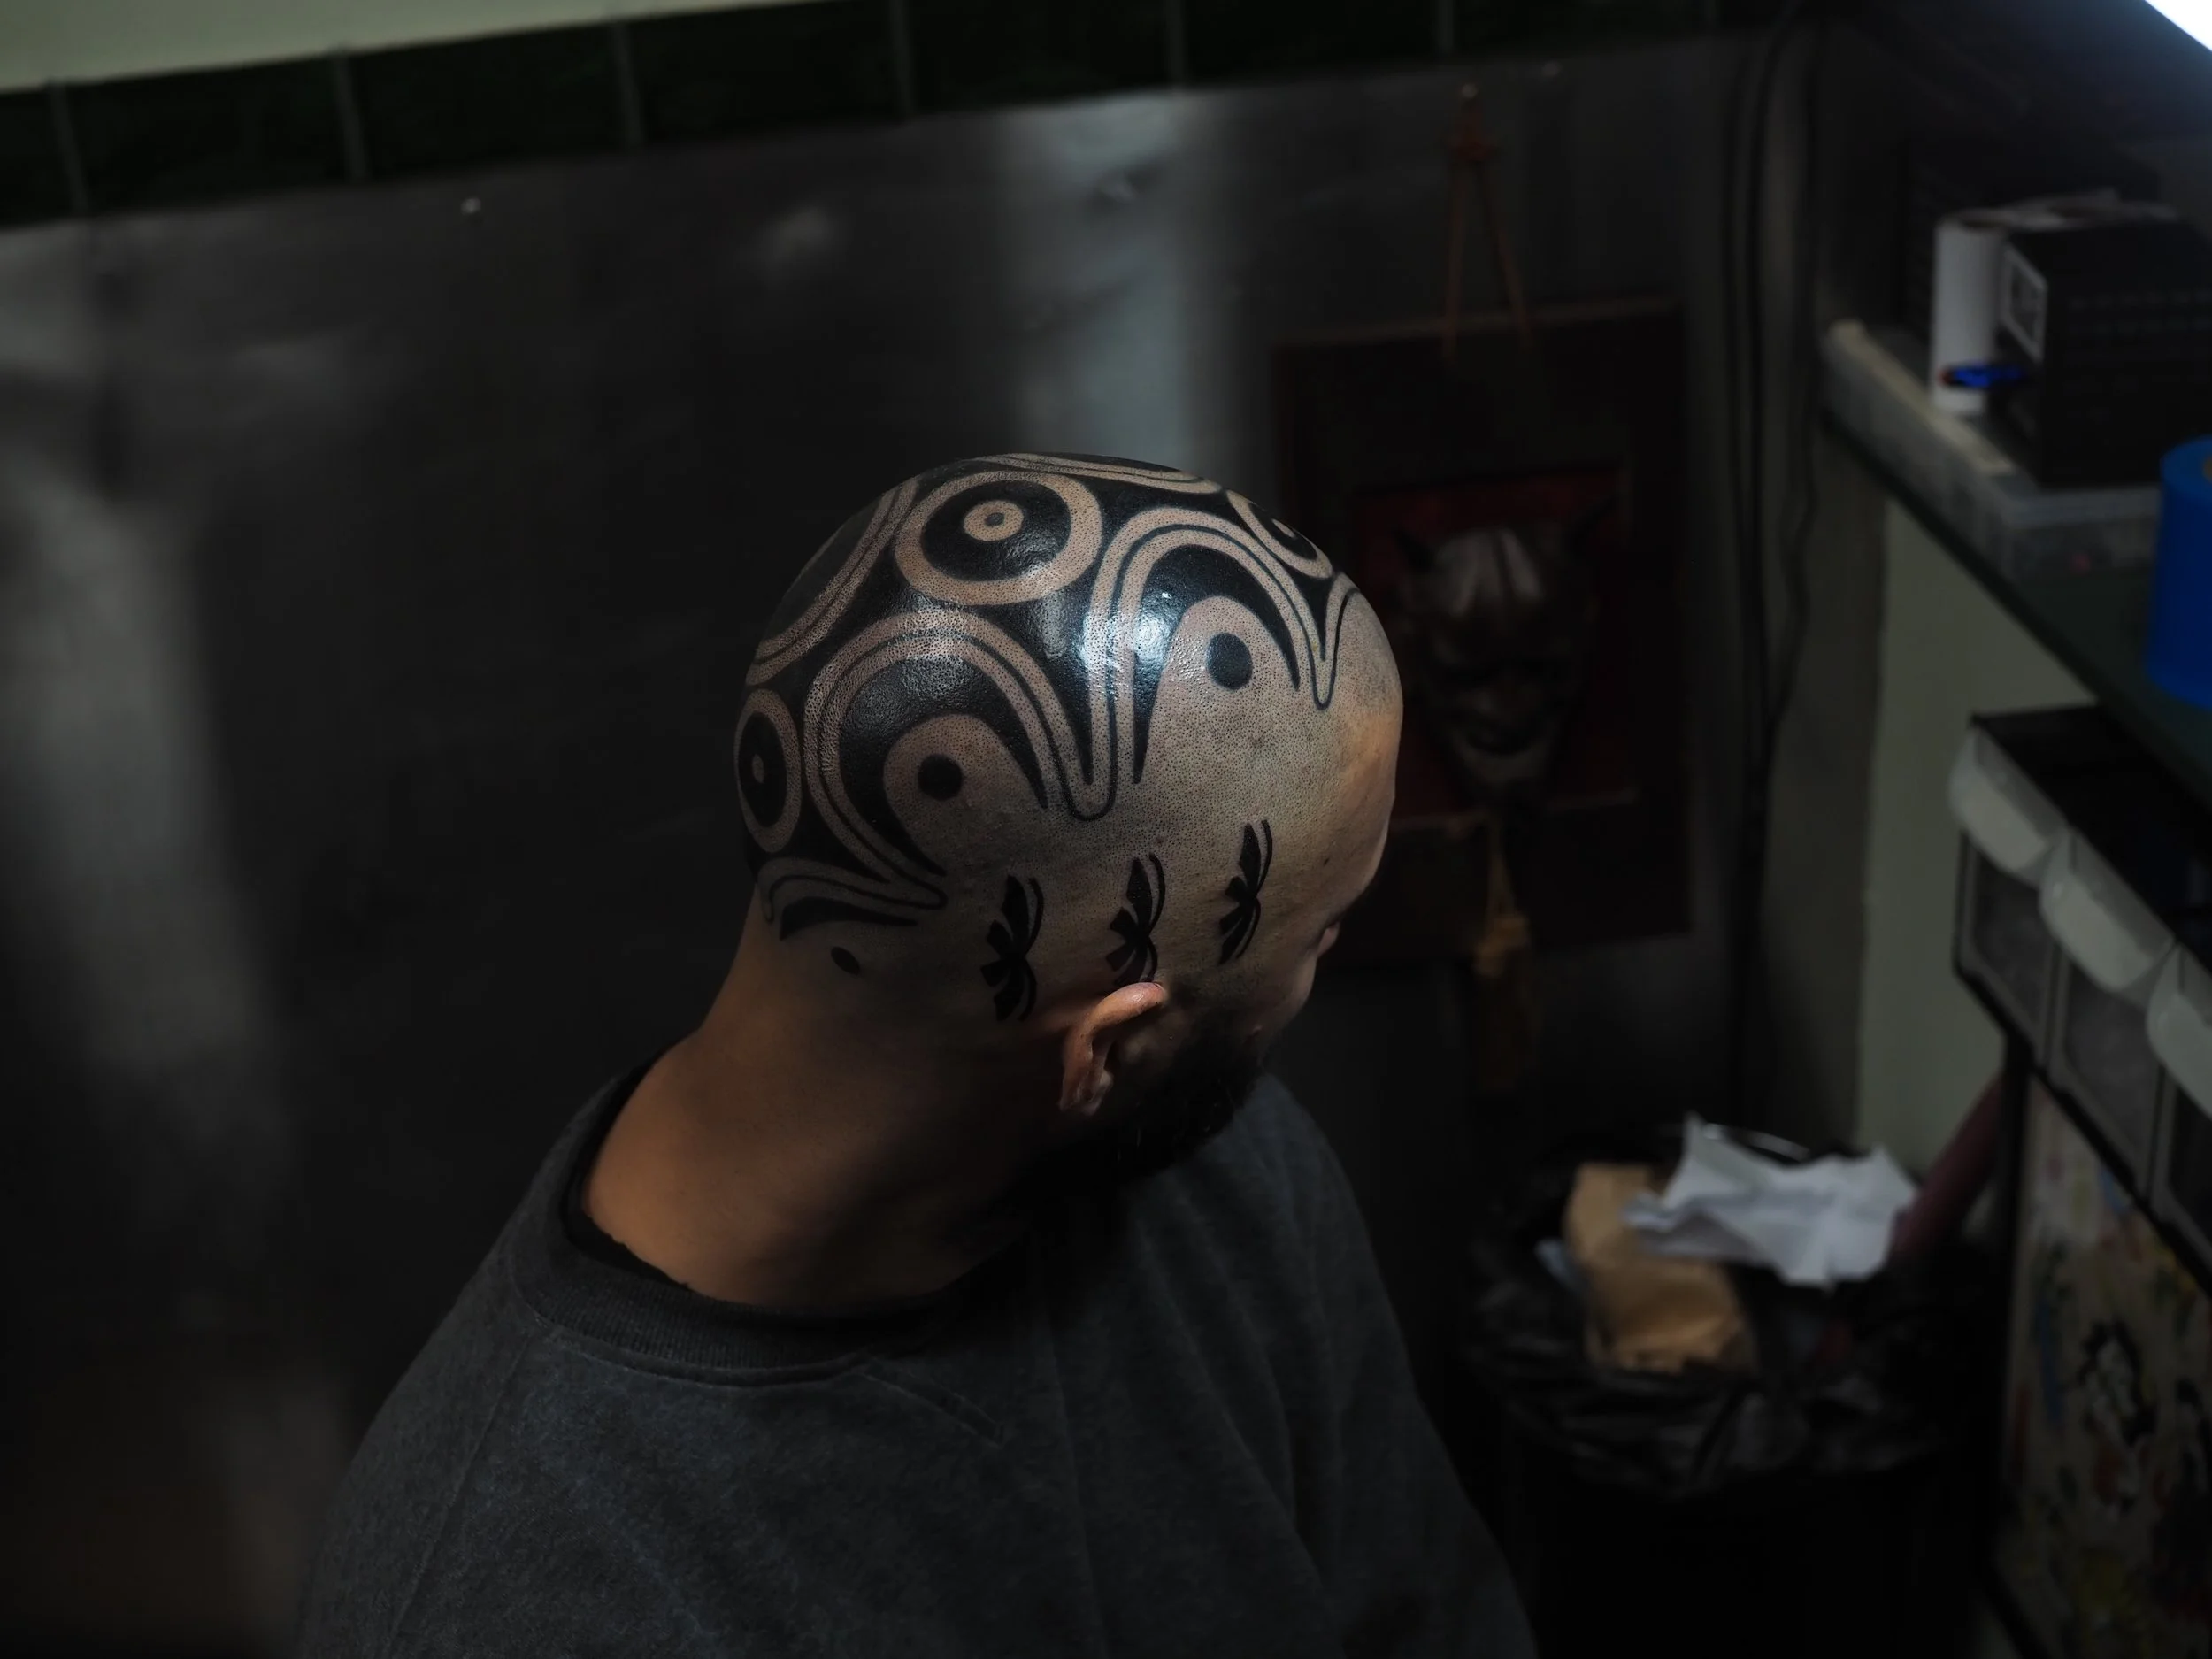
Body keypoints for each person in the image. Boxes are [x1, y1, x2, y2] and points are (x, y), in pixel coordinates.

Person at [294, 453, 1533, 1657]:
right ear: (1115, 1051)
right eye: (1322, 933)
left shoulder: (1227, 1182)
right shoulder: (497, 1600)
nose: (1311, 980)